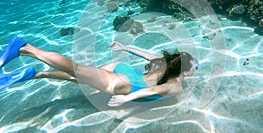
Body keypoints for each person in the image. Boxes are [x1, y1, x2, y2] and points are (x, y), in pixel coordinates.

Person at [0, 36, 199, 107]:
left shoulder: (163, 64)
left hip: (124, 71)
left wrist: (125, 48)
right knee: (75, 69)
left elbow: (146, 55)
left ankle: (36, 74)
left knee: (79, 76)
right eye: (196, 66)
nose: (197, 69)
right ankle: (25, 48)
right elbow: (153, 91)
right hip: (123, 83)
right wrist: (126, 99)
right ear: (186, 70)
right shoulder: (177, 86)